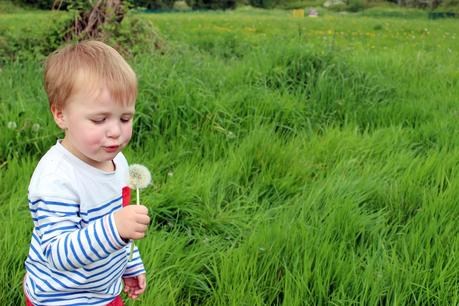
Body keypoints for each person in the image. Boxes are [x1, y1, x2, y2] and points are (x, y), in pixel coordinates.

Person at [23, 40, 150, 306]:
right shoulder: (56, 179)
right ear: (61, 115)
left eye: (125, 118)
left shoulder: (119, 162)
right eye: (99, 120)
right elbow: (59, 254)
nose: (115, 131)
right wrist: (116, 227)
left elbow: (118, 222)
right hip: (61, 297)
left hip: (103, 290)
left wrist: (130, 264)